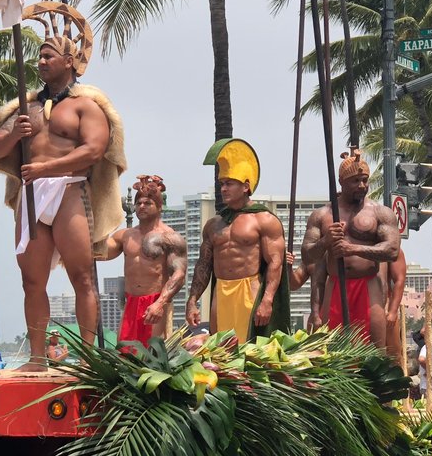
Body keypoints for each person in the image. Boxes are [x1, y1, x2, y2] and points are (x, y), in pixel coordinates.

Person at [0, 25, 127, 369]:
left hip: (68, 191)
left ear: (69, 60)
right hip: (32, 196)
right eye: (39, 55)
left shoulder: (86, 106)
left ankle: (90, 356)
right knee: (32, 280)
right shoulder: (26, 108)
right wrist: (14, 133)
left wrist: (48, 169)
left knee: (82, 276)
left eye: (48, 55)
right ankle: (36, 357)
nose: (41, 61)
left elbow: (95, 149)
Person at [186, 139, 289, 343]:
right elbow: (204, 265)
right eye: (222, 184)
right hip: (221, 292)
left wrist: (267, 300)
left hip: (249, 290)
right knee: (221, 351)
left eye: (229, 184)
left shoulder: (264, 219)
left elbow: (276, 262)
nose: (223, 189)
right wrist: (192, 300)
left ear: (246, 186)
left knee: (249, 350)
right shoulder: (213, 225)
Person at [302, 149, 401, 346]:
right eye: (355, 181)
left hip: (369, 285)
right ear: (341, 182)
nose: (362, 185)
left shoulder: (381, 212)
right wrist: (326, 241)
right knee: (334, 352)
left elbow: (392, 250)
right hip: (336, 284)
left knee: (373, 351)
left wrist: (353, 249)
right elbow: (307, 255)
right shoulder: (322, 215)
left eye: (365, 180)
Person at [100, 175, 187, 346]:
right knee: (125, 355)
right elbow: (99, 253)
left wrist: (160, 303)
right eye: (138, 203)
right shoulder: (125, 236)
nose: (141, 206)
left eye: (147, 203)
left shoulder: (170, 237)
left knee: (151, 356)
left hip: (155, 302)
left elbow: (179, 275)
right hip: (131, 302)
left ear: (159, 207)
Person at [383, 248, 409, 370]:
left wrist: (392, 311)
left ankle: (395, 386)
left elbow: (400, 279)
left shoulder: (391, 248)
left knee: (393, 353)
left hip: (383, 304)